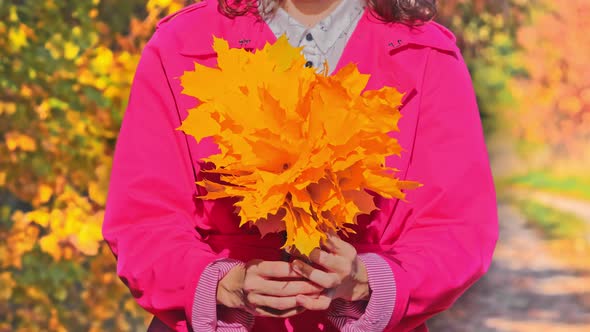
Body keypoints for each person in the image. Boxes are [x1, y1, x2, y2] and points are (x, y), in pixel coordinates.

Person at [101, 0, 499, 331]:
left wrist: (367, 282)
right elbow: (143, 219)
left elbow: (456, 227)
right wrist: (221, 285)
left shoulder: (426, 53)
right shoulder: (182, 44)